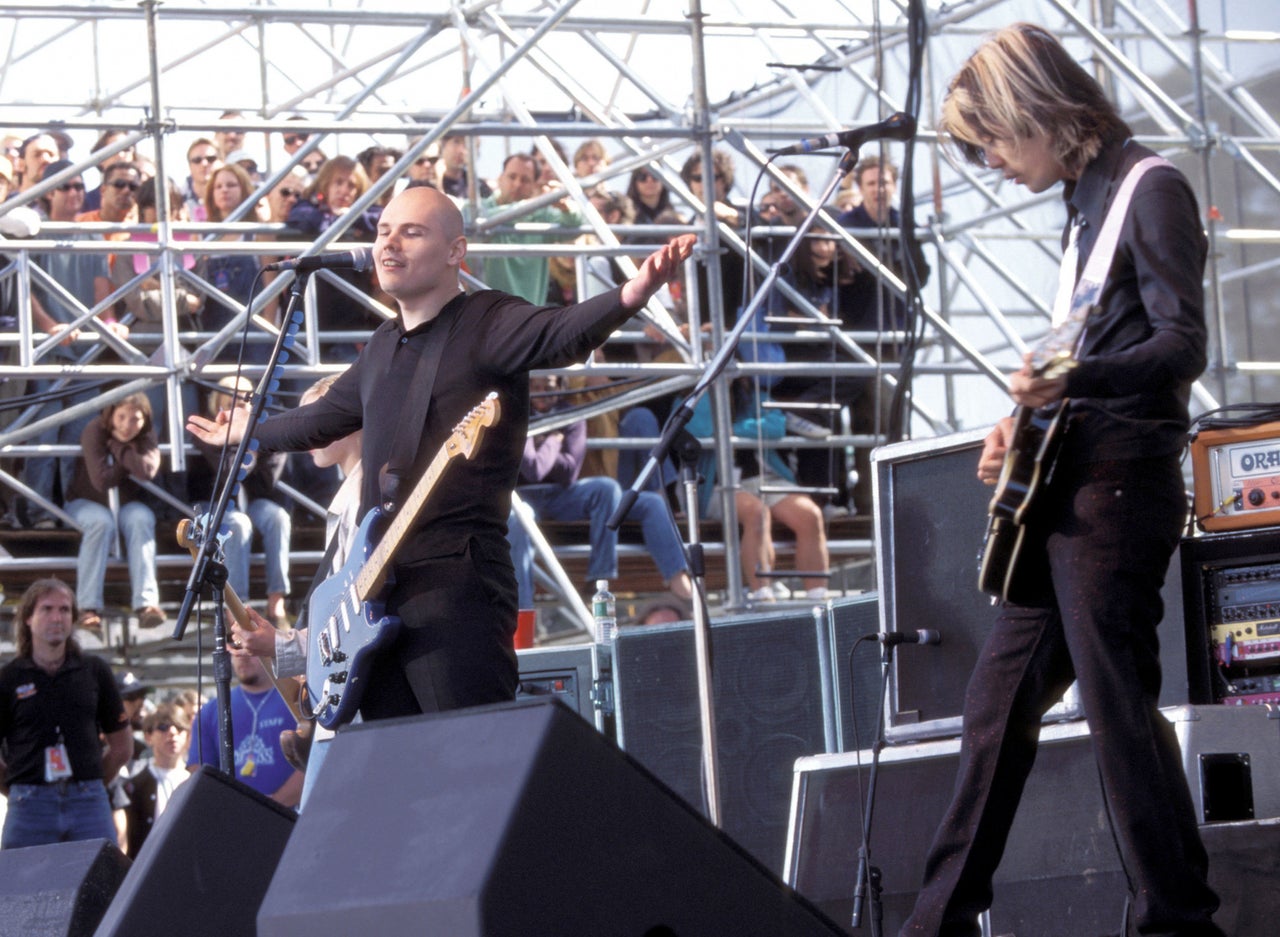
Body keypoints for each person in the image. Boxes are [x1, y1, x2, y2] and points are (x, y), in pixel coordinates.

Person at [899, 23, 1222, 937]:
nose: (992, 162)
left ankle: (1180, 917)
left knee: (1117, 706)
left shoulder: (1148, 189)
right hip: (1066, 489)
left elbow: (1181, 347)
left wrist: (1072, 381)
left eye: (994, 140)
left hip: (1118, 489)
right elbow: (1089, 346)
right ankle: (938, 920)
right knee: (996, 708)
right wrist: (1023, 420)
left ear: (1038, 112)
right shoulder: (1086, 205)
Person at [188, 184, 694, 722]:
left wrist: (628, 295)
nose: (389, 244)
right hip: (376, 593)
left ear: (456, 251)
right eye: (383, 231)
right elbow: (320, 418)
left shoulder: (487, 320)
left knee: (468, 761)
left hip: (457, 587)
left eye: (412, 231)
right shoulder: (381, 345)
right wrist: (251, 430)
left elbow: (558, 333)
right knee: (399, 772)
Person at [506, 374, 693, 609]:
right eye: (535, 386)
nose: (542, 392)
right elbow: (533, 469)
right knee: (519, 520)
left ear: (561, 386)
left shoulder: (572, 412)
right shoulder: (517, 412)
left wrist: (538, 443)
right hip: (523, 496)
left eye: (548, 386)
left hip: (567, 493)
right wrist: (554, 440)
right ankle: (523, 611)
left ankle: (603, 578)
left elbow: (568, 471)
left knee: (615, 491)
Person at [0, 578, 131, 849]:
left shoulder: (94, 671)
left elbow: (122, 747)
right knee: (19, 889)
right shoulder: (9, 678)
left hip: (89, 801)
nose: (56, 618)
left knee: (103, 885)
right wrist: (17, 789)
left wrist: (90, 783)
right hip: (28, 804)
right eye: (47, 609)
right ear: (27, 618)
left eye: (64, 610)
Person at [64, 392, 164, 633]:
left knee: (142, 519)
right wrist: (126, 454)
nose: (126, 425)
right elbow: (102, 481)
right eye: (121, 416)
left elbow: (146, 470)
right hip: (85, 501)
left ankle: (147, 603)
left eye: (135, 419)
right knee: (101, 523)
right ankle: (88, 607)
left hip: (128, 504)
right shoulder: (94, 430)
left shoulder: (146, 434)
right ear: (111, 414)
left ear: (145, 420)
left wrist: (117, 447)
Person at [187, 653, 302, 808]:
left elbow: (314, 762)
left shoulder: (297, 699)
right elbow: (198, 772)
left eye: (250, 652)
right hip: (231, 819)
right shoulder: (210, 711)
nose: (242, 658)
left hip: (292, 819)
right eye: (235, 652)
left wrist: (272, 807)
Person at [474, 152, 582, 304]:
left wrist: (565, 205)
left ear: (534, 185)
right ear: (500, 178)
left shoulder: (542, 214)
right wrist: (532, 204)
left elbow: (576, 223)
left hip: (528, 316)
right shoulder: (478, 211)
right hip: (484, 316)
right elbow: (471, 221)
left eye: (525, 180)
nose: (517, 184)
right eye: (512, 177)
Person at [120, 701, 190, 857]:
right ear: (148, 736)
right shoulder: (134, 785)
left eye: (179, 728)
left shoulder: (196, 782)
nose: (172, 733)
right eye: (163, 727)